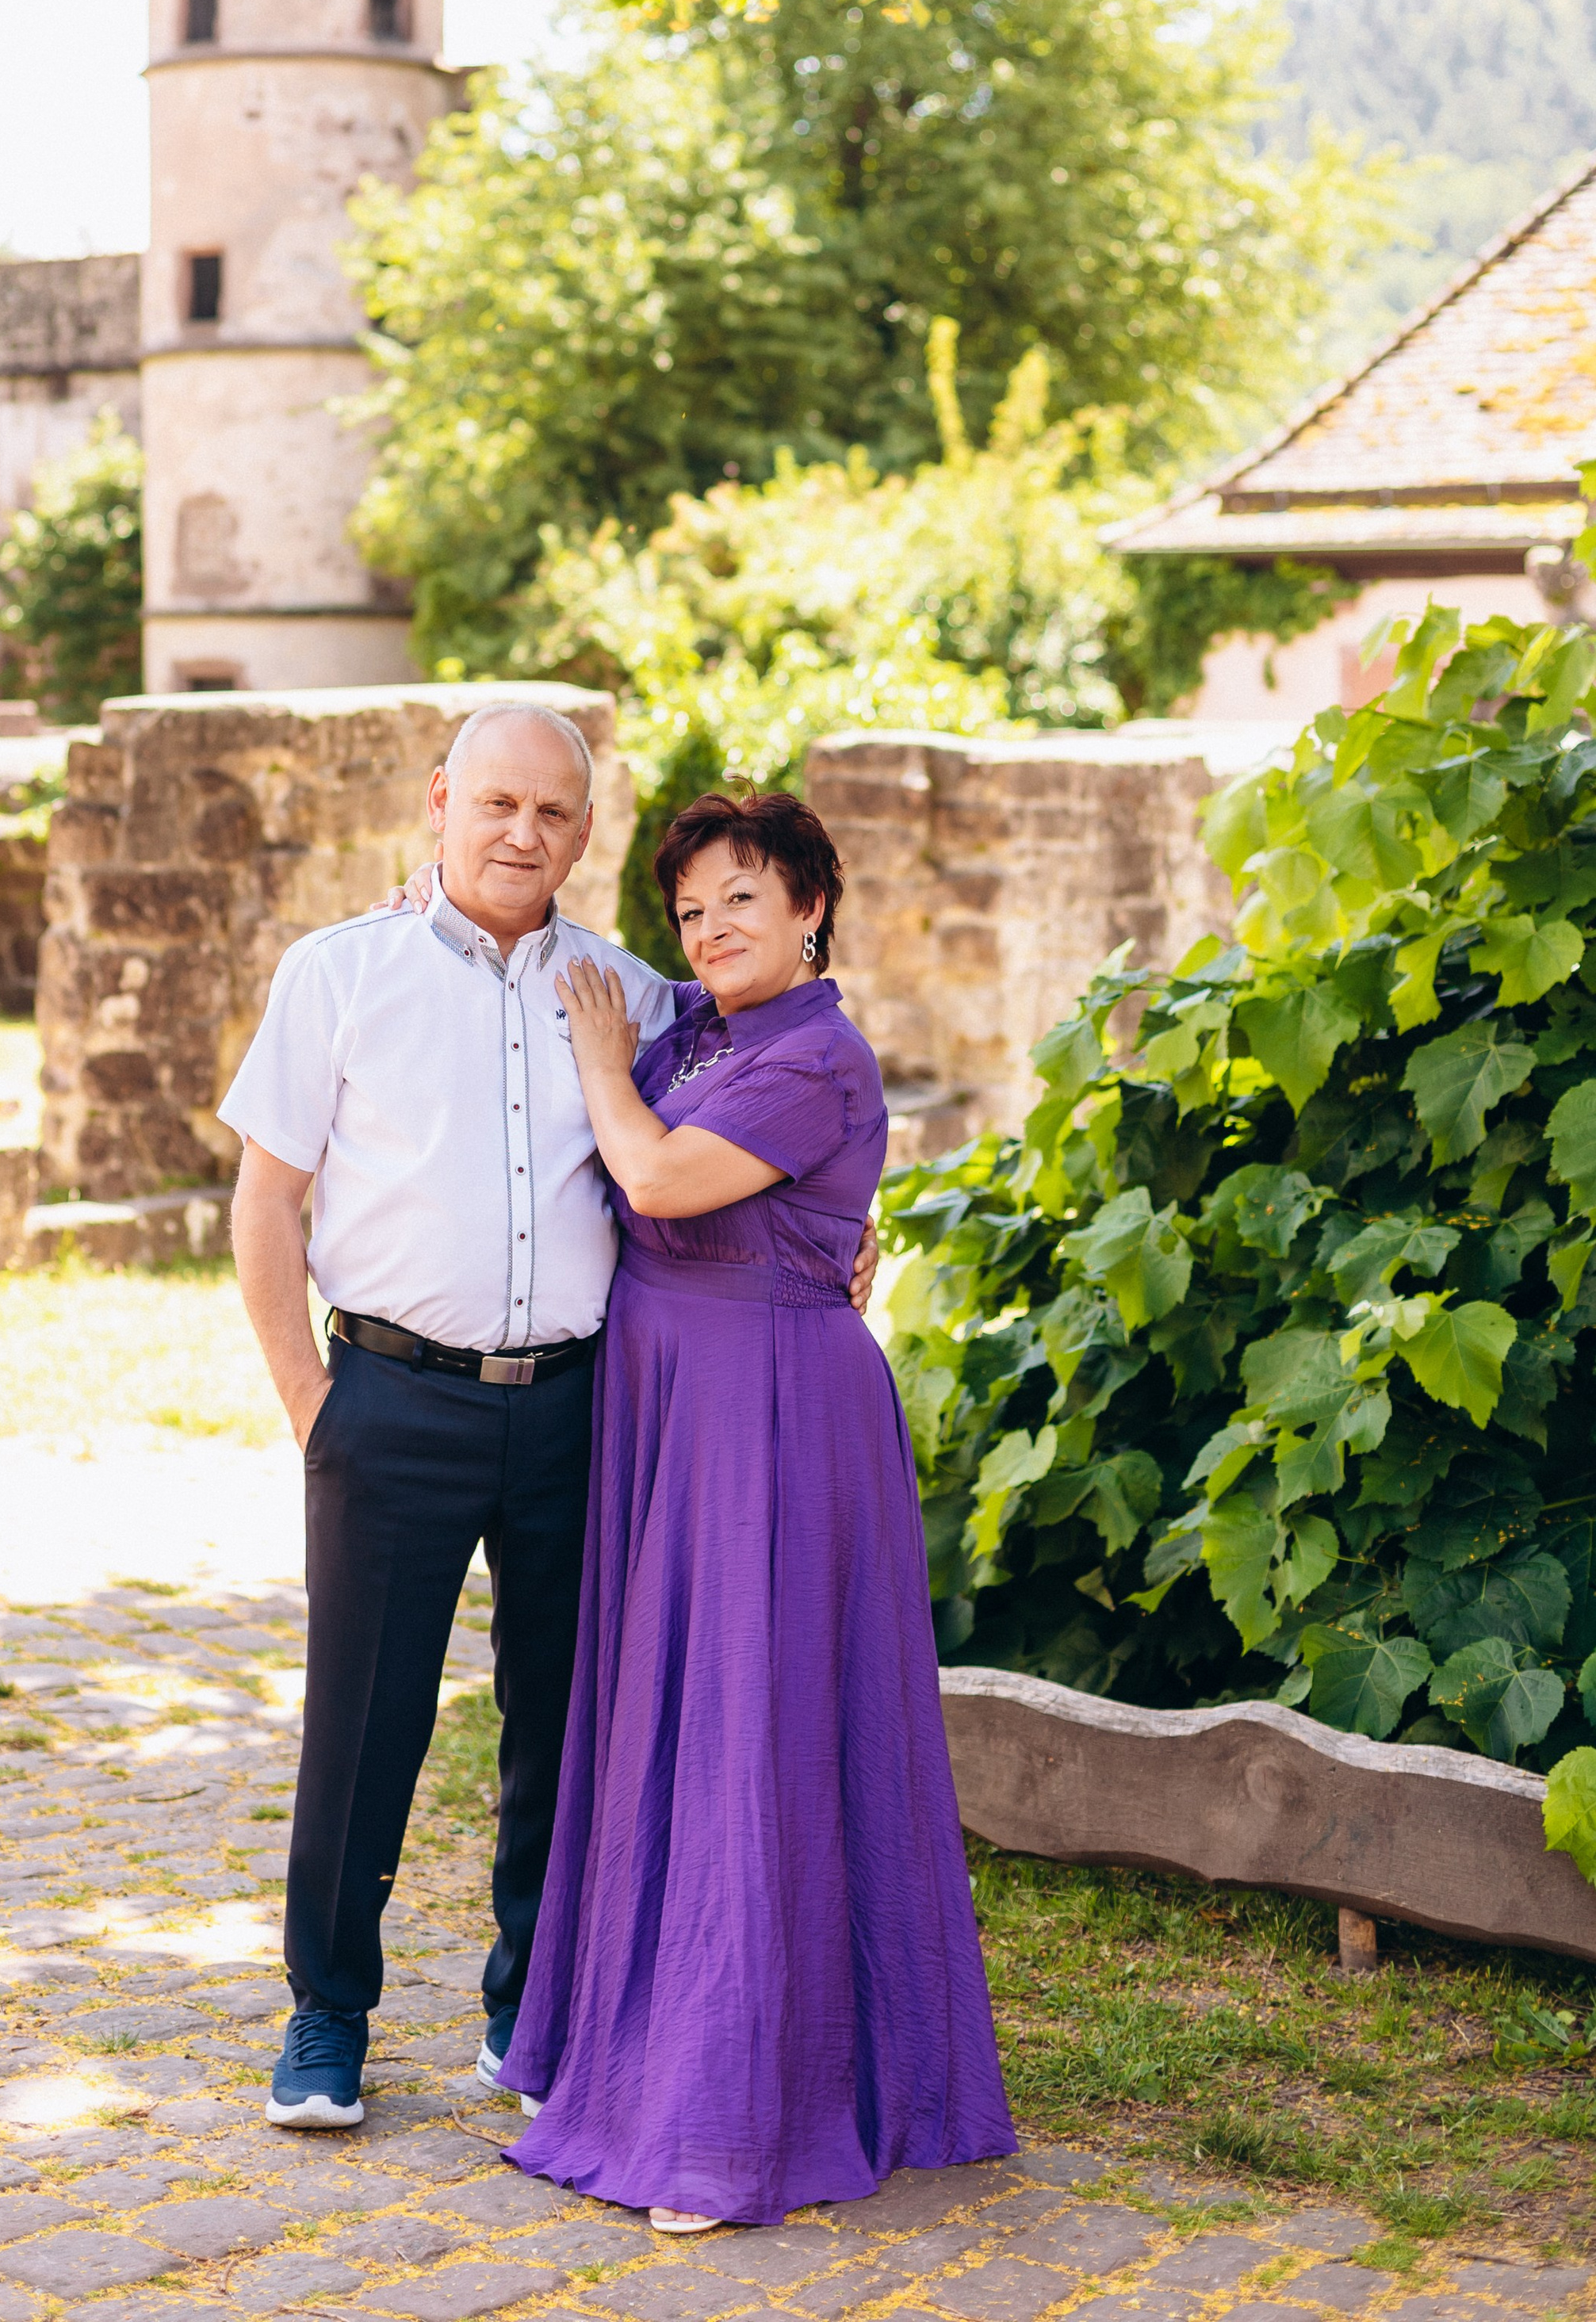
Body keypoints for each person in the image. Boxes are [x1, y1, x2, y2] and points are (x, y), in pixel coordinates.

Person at [220, 706, 876, 2129]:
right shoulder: (339, 974)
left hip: (587, 1411)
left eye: (556, 815)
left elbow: (770, 1091)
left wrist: (845, 1237)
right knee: (363, 1722)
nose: (524, 834)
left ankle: (532, 2011)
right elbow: (266, 1197)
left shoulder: (636, 991)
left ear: (587, 833)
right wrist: (311, 1407)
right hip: (390, 1398)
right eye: (499, 804)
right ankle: (327, 2018)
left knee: (567, 1726)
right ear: (441, 801)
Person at [503, 787, 1015, 2230]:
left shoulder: (814, 1052)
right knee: (662, 1722)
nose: (714, 926)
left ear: (810, 910)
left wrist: (606, 1064)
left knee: (753, 1735)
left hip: (774, 1417)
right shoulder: (705, 1028)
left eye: (745, 897)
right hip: (671, 1405)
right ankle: (631, 2054)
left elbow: (658, 1177)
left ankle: (732, 2123)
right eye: (692, 906)